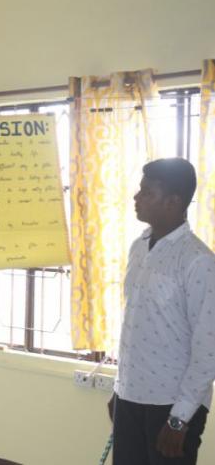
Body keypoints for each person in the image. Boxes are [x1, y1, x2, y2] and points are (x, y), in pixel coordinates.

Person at [109, 158, 215, 464]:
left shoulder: (198, 260)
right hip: (130, 397)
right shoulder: (138, 247)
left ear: (173, 202)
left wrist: (180, 418)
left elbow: (208, 347)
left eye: (147, 192)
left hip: (171, 406)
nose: (136, 197)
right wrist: (119, 389)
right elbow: (136, 324)